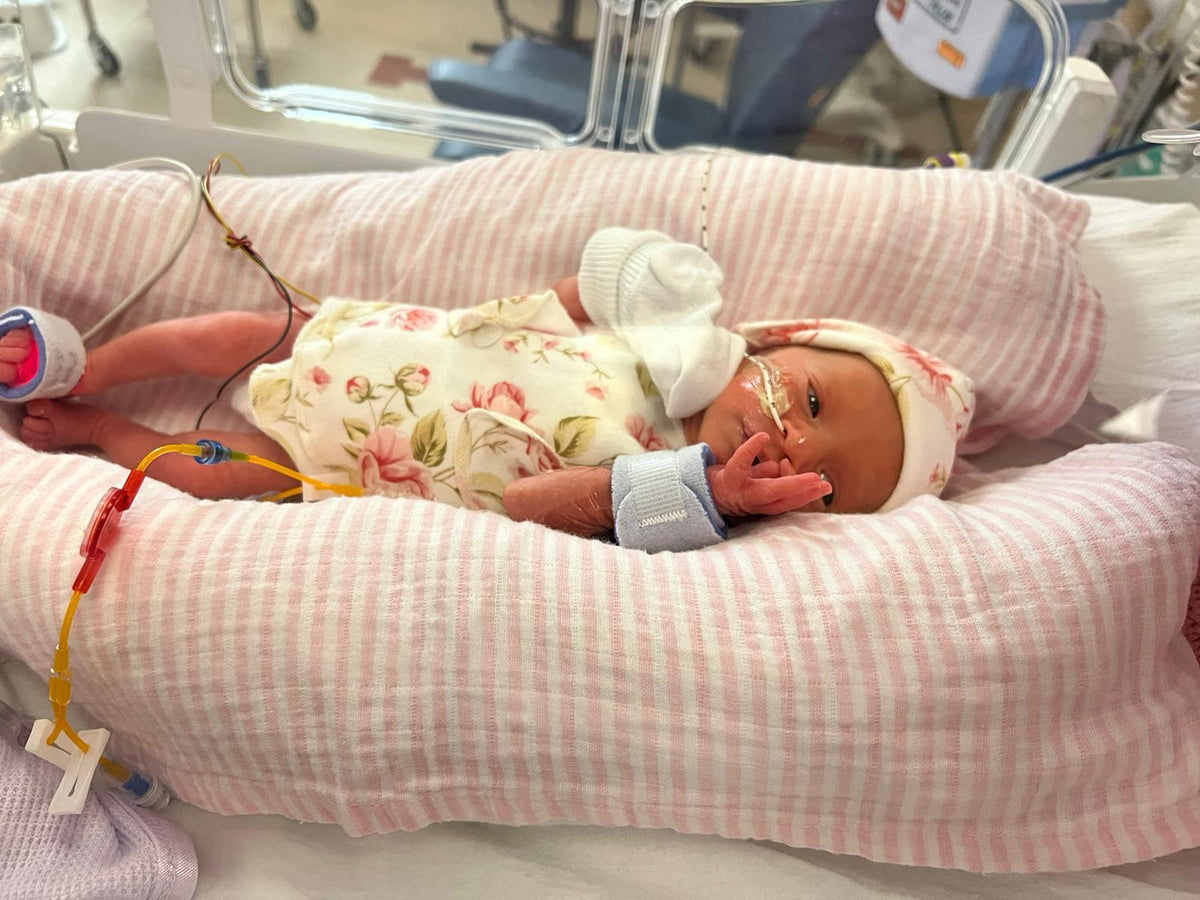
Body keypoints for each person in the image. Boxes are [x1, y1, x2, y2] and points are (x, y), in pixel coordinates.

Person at [0, 228, 974, 547]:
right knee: (229, 334)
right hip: (363, 339)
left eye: (826, 483)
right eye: (812, 402)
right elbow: (576, 290)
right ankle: (90, 360)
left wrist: (713, 493)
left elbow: (529, 504)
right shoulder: (658, 343)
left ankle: (95, 424)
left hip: (336, 457)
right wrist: (631, 274)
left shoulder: (659, 482)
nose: (799, 442)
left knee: (217, 471)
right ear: (780, 344)